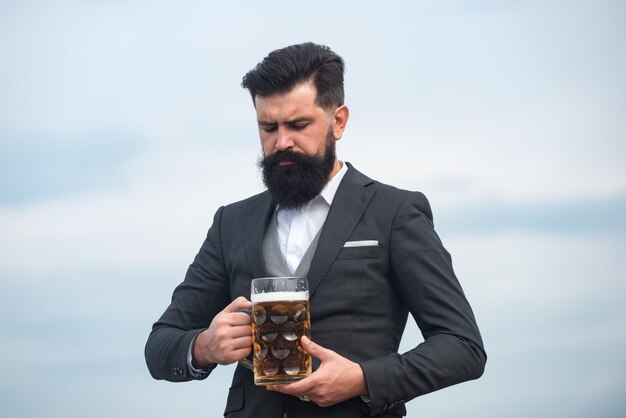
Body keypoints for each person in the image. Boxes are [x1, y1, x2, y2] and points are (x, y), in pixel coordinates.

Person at [145, 42, 486, 418]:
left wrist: (363, 378)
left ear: (338, 121)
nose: (281, 142)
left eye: (298, 125)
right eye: (267, 127)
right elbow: (160, 345)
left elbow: (462, 346)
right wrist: (203, 347)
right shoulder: (231, 222)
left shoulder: (395, 213)